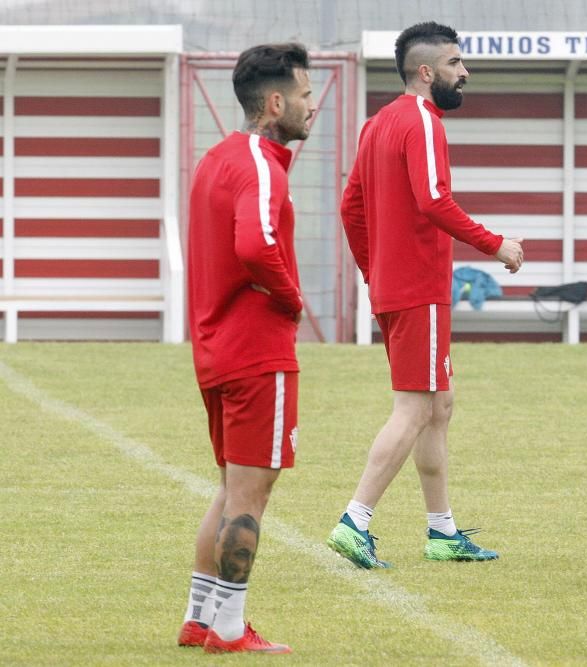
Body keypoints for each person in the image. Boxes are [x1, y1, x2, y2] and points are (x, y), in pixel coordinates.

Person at [328, 21, 523, 569]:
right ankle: (355, 519)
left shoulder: (377, 124)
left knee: (440, 404)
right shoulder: (421, 121)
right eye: (457, 63)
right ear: (426, 71)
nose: (465, 73)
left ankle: (441, 532)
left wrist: (375, 271)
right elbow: (435, 200)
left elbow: (351, 209)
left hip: (397, 287)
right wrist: (497, 245)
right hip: (418, 290)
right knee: (415, 408)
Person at [178, 42, 315, 652]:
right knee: (251, 494)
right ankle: (229, 629)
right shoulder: (262, 162)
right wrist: (292, 299)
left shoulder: (217, 159)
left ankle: (200, 616)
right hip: (255, 351)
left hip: (215, 349)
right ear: (276, 103)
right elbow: (256, 246)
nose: (312, 107)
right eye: (306, 96)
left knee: (232, 488)